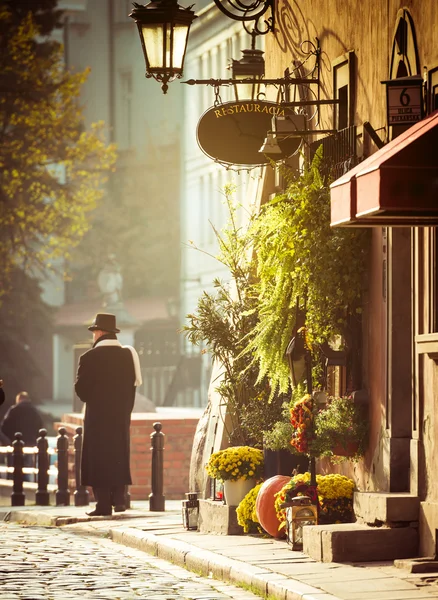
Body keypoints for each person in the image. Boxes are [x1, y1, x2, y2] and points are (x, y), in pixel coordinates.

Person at [74, 313, 142, 516]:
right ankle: (119, 500)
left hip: (97, 420)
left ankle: (103, 505)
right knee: (118, 456)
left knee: (98, 460)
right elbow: (132, 390)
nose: (93, 336)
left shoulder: (88, 358)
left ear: (100, 332)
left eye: (94, 332)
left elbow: (82, 392)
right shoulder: (127, 356)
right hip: (120, 417)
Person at [1, 391, 44, 481]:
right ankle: (26, 484)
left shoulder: (13, 410)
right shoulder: (35, 412)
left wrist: (7, 441)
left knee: (14, 469)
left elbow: (4, 427)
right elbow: (40, 428)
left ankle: (15, 484)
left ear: (19, 399)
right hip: (30, 444)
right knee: (27, 469)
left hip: (14, 445)